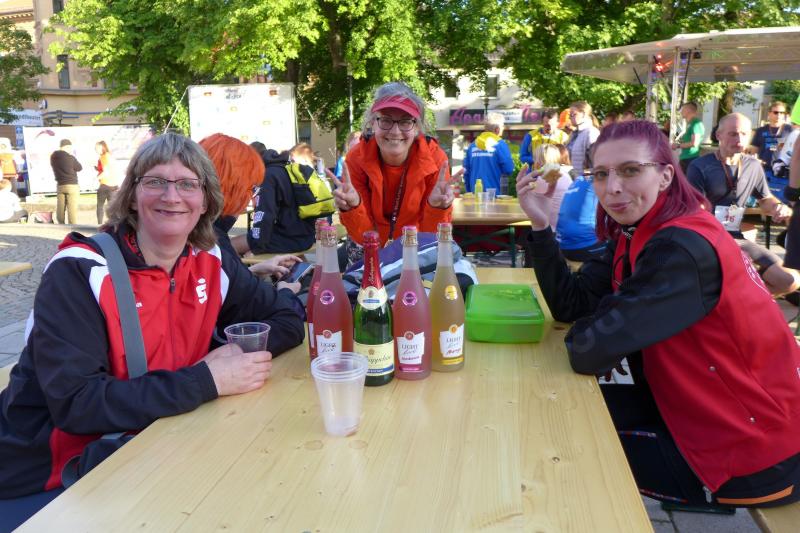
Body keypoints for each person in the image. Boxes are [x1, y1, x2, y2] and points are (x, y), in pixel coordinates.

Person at [0, 133, 305, 529]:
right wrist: (206, 379)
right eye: (156, 181)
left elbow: (286, 320)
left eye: (188, 184)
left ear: (206, 201)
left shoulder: (210, 259)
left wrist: (231, 352)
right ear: (131, 196)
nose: (172, 196)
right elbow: (78, 404)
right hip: (52, 473)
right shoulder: (80, 271)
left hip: (154, 443)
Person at [518, 119, 800, 511]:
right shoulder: (638, 229)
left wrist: (606, 322)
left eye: (630, 170)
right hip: (711, 412)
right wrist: (540, 224)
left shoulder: (679, 248)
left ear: (666, 176)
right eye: (601, 174)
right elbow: (572, 306)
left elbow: (587, 350)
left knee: (554, 436)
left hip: (756, 454)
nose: (612, 187)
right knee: (554, 411)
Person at [687, 113, 798, 295]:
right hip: (706, 240)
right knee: (728, 275)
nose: (739, 139)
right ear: (718, 135)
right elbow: (694, 212)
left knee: (789, 281)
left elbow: (765, 200)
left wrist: (779, 207)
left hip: (737, 239)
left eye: (744, 134)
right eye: (733, 134)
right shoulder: (699, 167)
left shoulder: (753, 165)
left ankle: (741, 298)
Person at [331, 81, 454, 247]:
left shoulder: (435, 159)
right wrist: (352, 208)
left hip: (415, 246)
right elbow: (363, 237)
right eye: (386, 120)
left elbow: (431, 237)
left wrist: (437, 208)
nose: (395, 132)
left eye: (405, 121)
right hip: (372, 247)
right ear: (373, 123)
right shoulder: (357, 158)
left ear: (417, 128)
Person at [198, 133, 303, 285]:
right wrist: (286, 292)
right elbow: (231, 291)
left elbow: (222, 282)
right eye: (250, 188)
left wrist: (253, 271)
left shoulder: (197, 233)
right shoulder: (214, 243)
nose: (250, 198)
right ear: (232, 187)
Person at [241, 143, 319, 256]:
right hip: (305, 235)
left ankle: (255, 267)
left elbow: (265, 216)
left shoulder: (267, 176)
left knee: (228, 245)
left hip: (289, 239)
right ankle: (301, 267)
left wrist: (257, 249)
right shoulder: (284, 168)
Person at [463, 112, 515, 193]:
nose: (503, 128)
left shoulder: (473, 145)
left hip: (475, 193)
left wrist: (469, 191)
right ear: (497, 129)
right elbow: (509, 168)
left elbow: (466, 171)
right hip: (494, 193)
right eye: (502, 126)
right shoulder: (500, 144)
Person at [751, 101, 789, 175]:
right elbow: (753, 151)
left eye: (782, 113)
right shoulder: (760, 130)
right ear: (769, 113)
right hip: (763, 170)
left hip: (782, 171)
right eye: (776, 112)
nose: (779, 115)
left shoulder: (790, 130)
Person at [50, 139, 83, 224]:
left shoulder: (53, 157)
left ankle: (61, 224)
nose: (71, 150)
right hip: (72, 185)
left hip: (60, 185)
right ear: (67, 146)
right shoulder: (71, 158)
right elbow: (79, 168)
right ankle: (72, 226)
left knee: (60, 208)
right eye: (70, 147)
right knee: (72, 209)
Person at [565, 101, 600, 176]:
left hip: (585, 180)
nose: (570, 117)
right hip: (573, 178)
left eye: (573, 114)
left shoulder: (591, 133)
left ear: (583, 114)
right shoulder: (574, 133)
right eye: (569, 115)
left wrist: (585, 175)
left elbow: (598, 163)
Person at [671, 102, 705, 173]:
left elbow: (694, 143)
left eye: (683, 109)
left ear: (688, 110)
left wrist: (678, 145)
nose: (681, 112)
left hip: (690, 159)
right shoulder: (691, 123)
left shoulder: (696, 123)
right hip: (686, 158)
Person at [94, 140, 119, 224]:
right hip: (114, 185)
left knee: (100, 206)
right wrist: (97, 169)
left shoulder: (103, 157)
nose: (95, 150)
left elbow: (106, 172)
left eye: (97, 148)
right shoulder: (110, 156)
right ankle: (113, 225)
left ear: (102, 147)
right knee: (112, 207)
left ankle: (99, 224)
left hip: (105, 184)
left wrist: (96, 178)